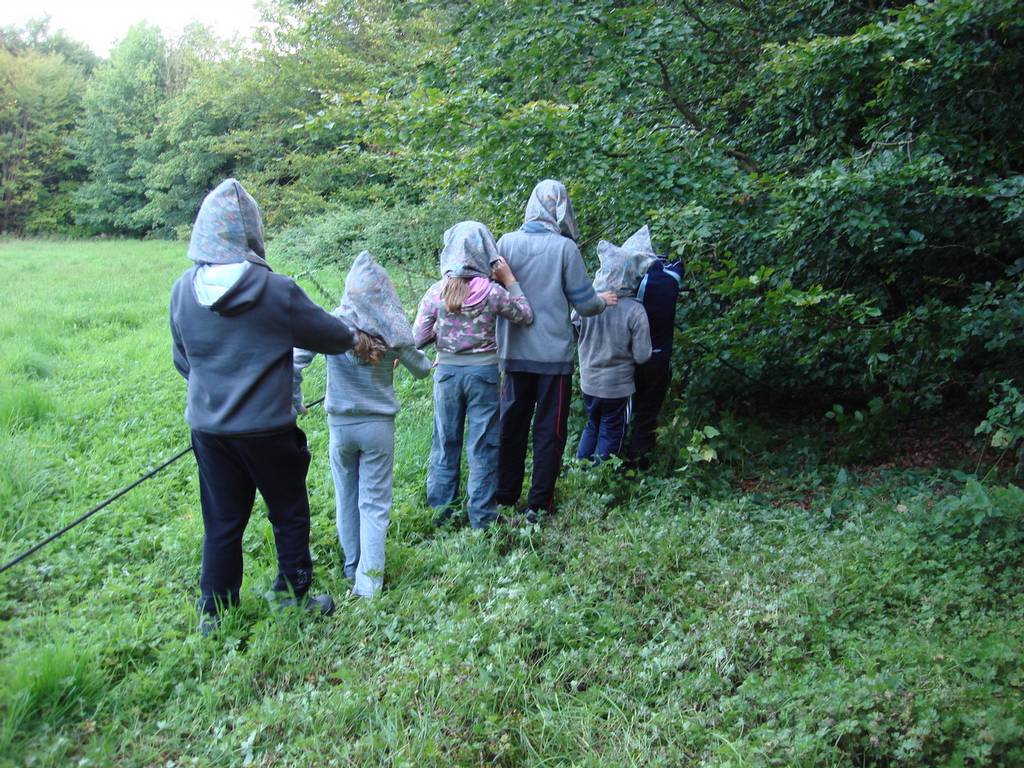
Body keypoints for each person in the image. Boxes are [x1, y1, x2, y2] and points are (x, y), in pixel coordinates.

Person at [169, 179, 382, 635]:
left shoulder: (182, 290)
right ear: (251, 234)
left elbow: (182, 360)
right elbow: (329, 335)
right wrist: (359, 336)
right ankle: (292, 597)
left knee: (222, 520)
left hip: (209, 431)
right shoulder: (275, 290)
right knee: (287, 512)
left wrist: (220, 396)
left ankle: (215, 613)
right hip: (268, 432)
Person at [293, 251, 430, 598]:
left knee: (347, 496)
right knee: (374, 503)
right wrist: (409, 354)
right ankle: (368, 584)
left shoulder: (332, 323)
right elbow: (422, 370)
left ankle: (352, 567)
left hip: (341, 426)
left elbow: (295, 360)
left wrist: (293, 399)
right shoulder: (393, 327)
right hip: (377, 427)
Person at [494, 179, 618, 523]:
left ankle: (504, 496)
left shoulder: (506, 243)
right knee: (550, 431)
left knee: (511, 427)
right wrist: (602, 301)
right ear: (561, 208)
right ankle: (539, 504)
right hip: (553, 359)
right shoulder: (565, 249)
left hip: (513, 354)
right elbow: (585, 304)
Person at [413, 221, 533, 528]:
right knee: (483, 444)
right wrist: (511, 281)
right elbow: (525, 315)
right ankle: (482, 516)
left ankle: (441, 512)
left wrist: (442, 333)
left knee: (445, 441)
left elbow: (417, 338)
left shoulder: (436, 292)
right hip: (484, 373)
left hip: (447, 374)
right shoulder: (493, 293)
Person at [573, 236, 653, 461]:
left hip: (589, 381)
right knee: (611, 427)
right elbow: (642, 355)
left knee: (592, 424)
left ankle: (581, 469)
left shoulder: (588, 303)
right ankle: (602, 474)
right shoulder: (635, 311)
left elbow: (572, 329)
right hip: (617, 387)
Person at [621, 226, 683, 467]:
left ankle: (622, 460)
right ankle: (642, 459)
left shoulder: (632, 281)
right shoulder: (671, 277)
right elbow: (678, 263)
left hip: (633, 357)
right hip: (659, 356)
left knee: (627, 410)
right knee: (648, 411)